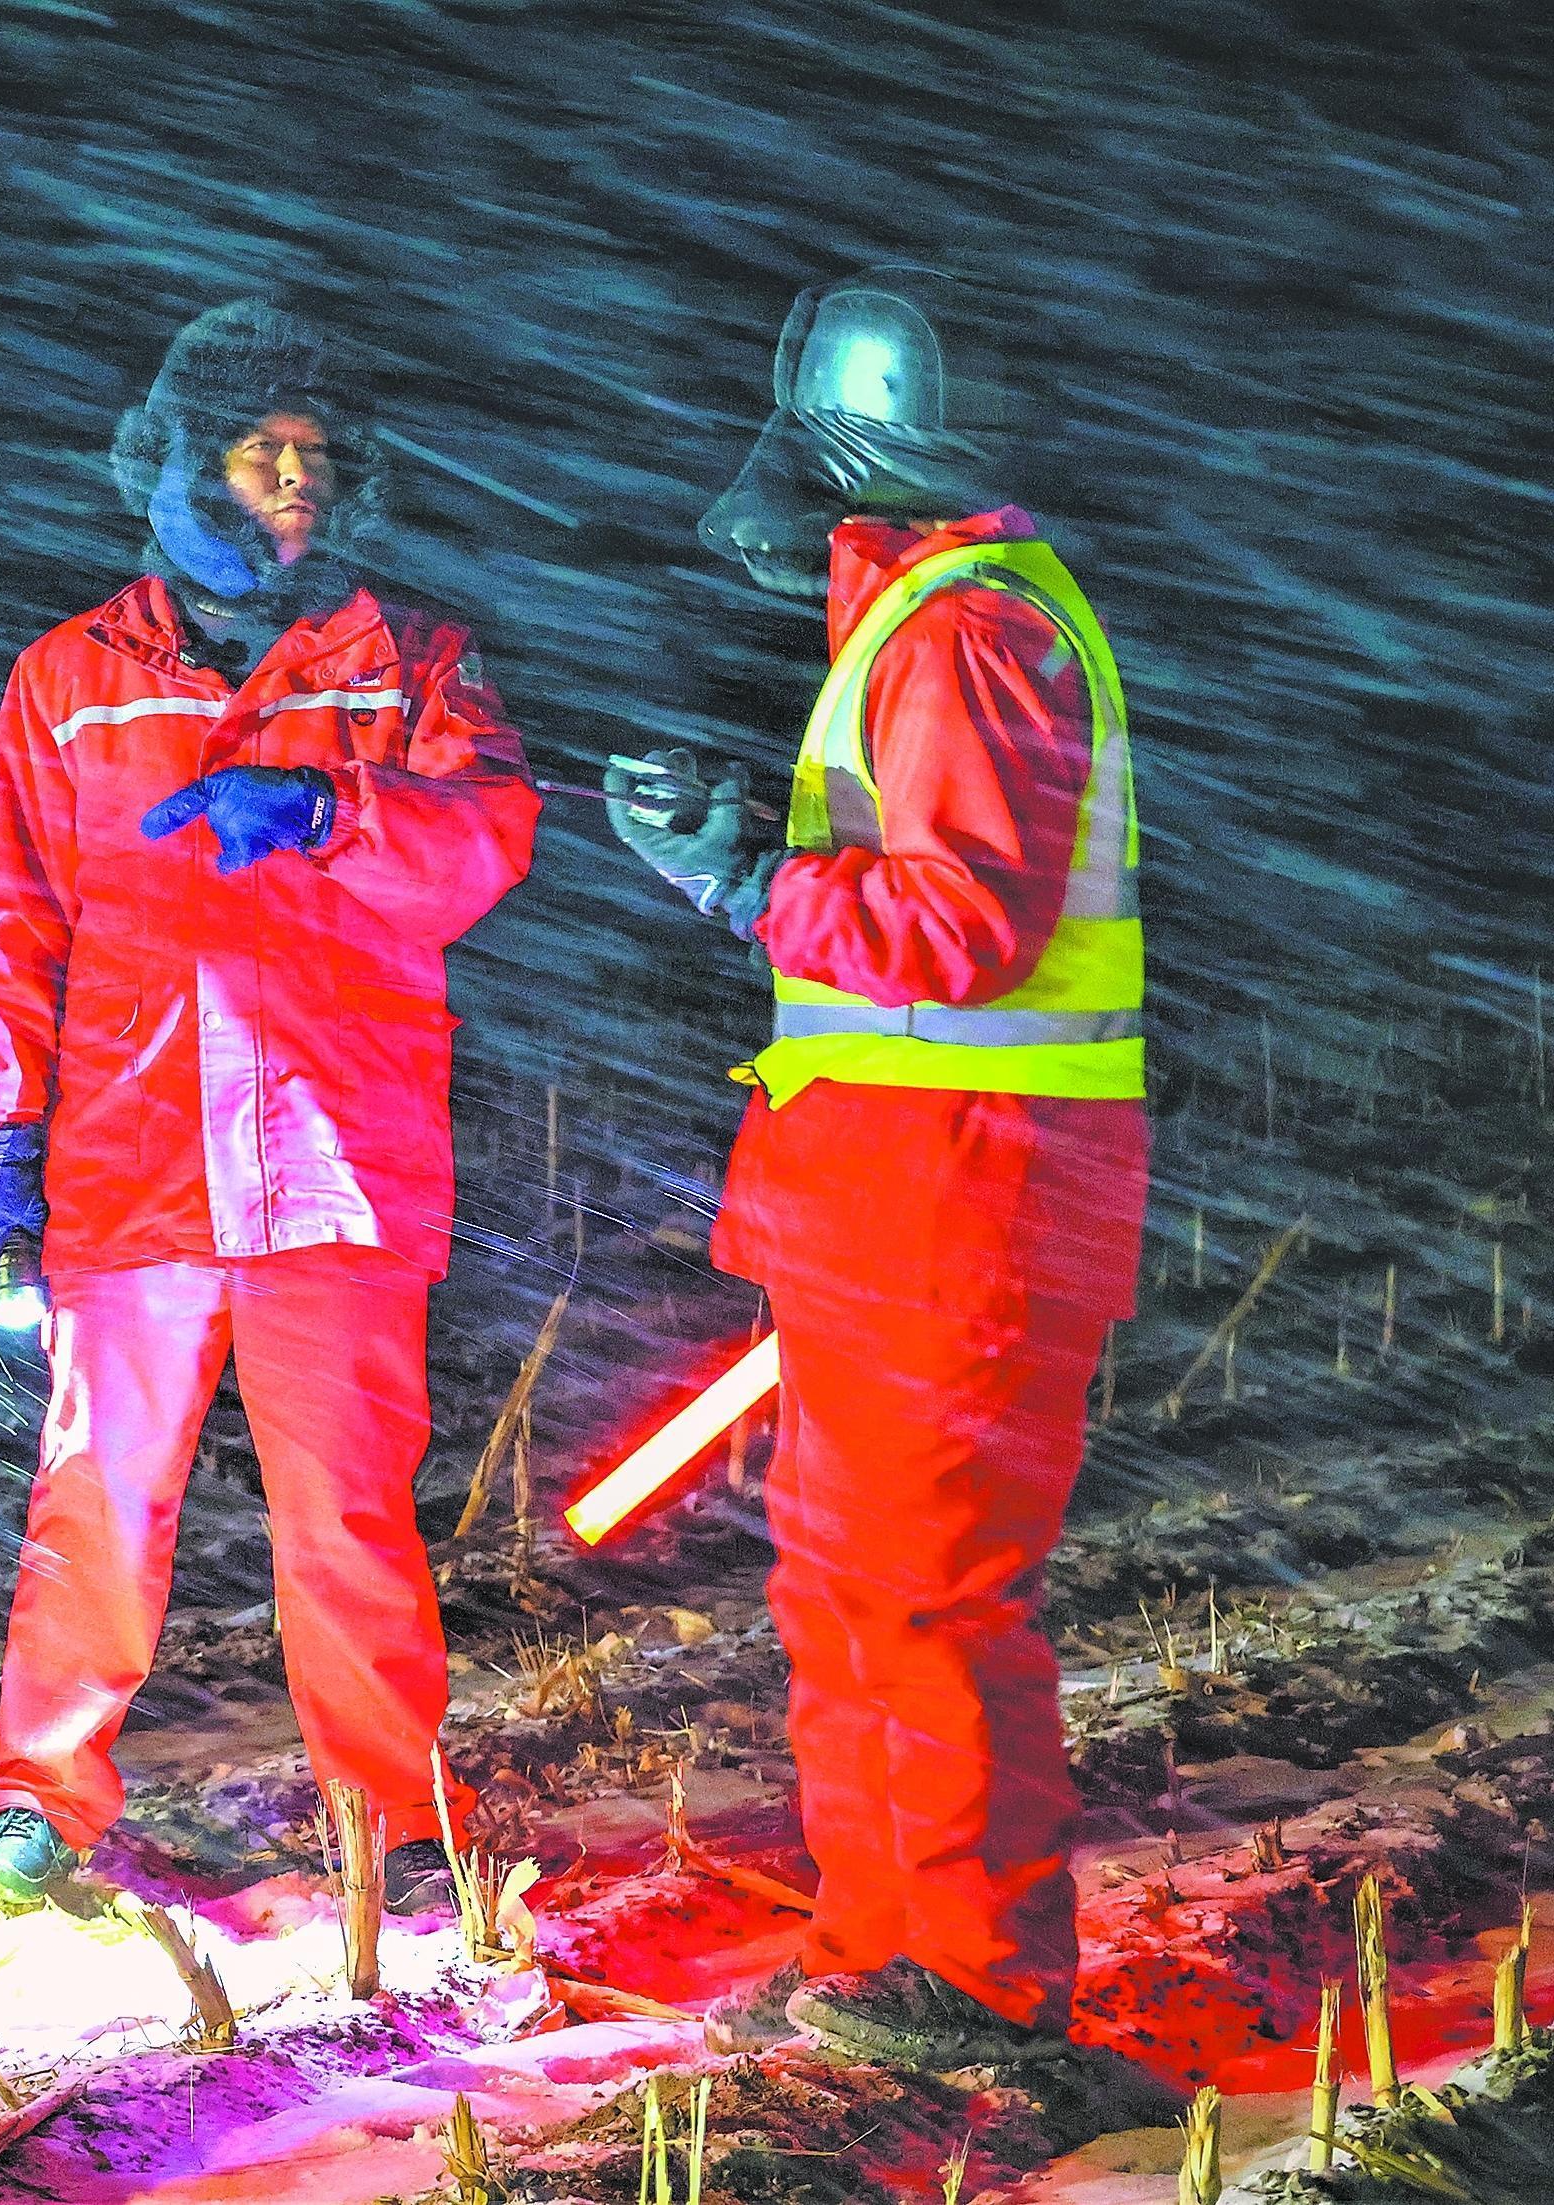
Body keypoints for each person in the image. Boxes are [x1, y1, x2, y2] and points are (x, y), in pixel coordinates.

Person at [605, 267, 1148, 2069]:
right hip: (901, 1200)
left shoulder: (967, 634)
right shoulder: (932, 621)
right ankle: (880, 1954)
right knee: (846, 1594)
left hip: (960, 1202)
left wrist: (744, 879)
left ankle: (980, 1990)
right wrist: (750, 858)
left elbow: (959, 929)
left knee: (921, 1601)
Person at [0, 301, 541, 1909]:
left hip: (338, 1161)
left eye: (315, 453)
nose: (295, 477)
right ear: (181, 461)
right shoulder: (70, 679)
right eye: (261, 449)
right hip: (129, 1165)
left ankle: (392, 1818)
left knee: (347, 1515)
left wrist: (331, 806)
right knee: (94, 1501)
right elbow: (7, 924)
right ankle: (41, 1796)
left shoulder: (411, 664)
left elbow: (485, 842)